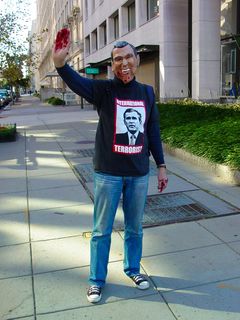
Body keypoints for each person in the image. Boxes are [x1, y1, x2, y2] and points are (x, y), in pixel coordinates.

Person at [52, 30, 168, 304]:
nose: (124, 63)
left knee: (135, 228)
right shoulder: (103, 89)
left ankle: (132, 270)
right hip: (108, 174)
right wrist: (60, 64)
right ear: (111, 65)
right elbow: (76, 81)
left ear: (137, 60)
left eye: (129, 57)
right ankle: (96, 280)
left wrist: (161, 165)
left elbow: (152, 131)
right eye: (118, 59)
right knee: (102, 230)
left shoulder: (147, 93)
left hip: (139, 174)